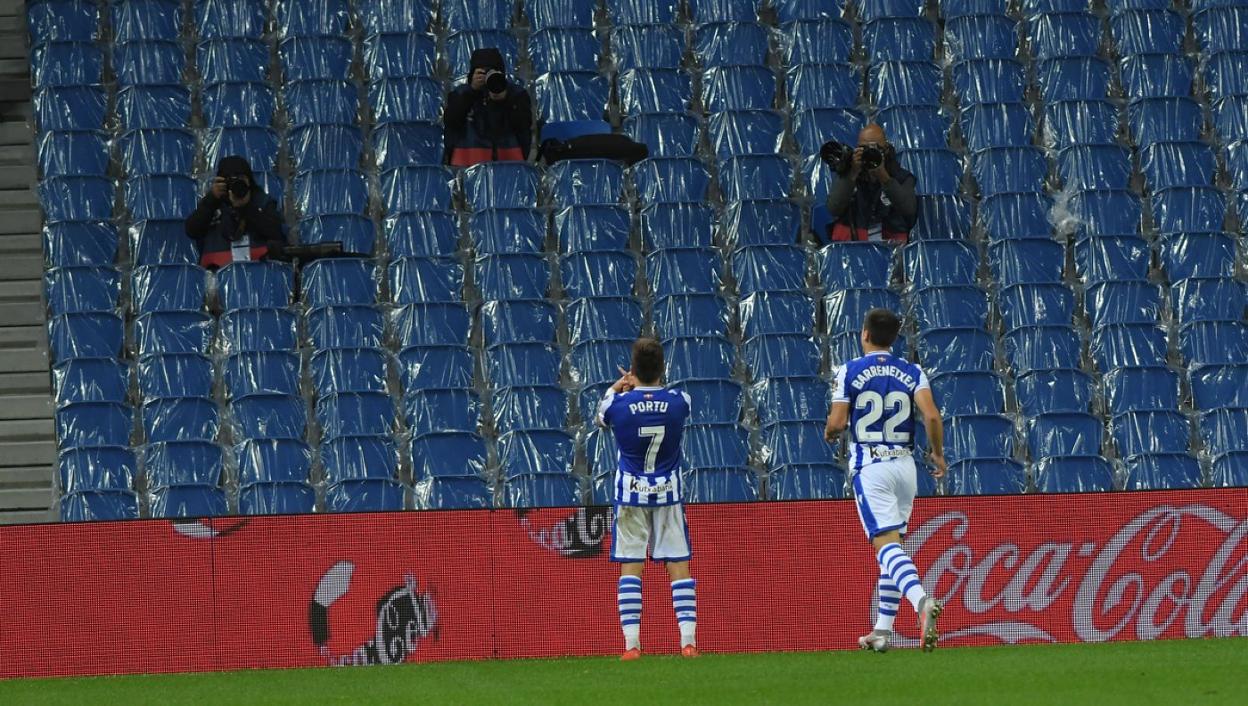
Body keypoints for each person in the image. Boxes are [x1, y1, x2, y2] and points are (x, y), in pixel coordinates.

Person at [824, 308, 946, 653]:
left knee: (886, 547)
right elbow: (932, 415)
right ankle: (882, 631)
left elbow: (837, 422)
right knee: (894, 549)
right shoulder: (912, 371)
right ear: (894, 338)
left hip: (872, 465)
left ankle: (922, 602)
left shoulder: (850, 370)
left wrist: (831, 432)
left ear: (865, 334)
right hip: (906, 467)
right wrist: (937, 453)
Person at [596, 338, 698, 661]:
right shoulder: (680, 401)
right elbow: (670, 400)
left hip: (631, 494)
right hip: (667, 493)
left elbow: (601, 414)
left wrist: (624, 384)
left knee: (631, 565)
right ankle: (688, 642)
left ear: (633, 369)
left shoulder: (618, 406)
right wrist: (646, 384)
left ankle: (632, 645)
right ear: (663, 367)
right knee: (678, 562)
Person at [184, 156, 285, 269]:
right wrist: (211, 200)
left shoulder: (262, 201)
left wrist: (247, 208)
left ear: (249, 180)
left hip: (261, 271)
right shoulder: (213, 203)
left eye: (241, 178)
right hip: (218, 273)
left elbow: (277, 232)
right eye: (230, 179)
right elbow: (192, 231)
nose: (236, 184)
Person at [825, 124, 918, 243]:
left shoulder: (901, 177)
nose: (868, 154)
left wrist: (884, 176)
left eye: (875, 149)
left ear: (886, 150)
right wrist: (852, 174)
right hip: (852, 248)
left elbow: (909, 210)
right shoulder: (849, 173)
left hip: (890, 249)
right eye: (864, 149)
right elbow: (833, 209)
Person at [443, 48, 533, 167]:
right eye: (482, 72)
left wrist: (505, 100)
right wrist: (472, 91)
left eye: (493, 72)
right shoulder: (462, 94)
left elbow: (524, 127)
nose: (488, 77)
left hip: (509, 164)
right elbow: (451, 123)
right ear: (473, 74)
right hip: (468, 163)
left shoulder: (516, 94)